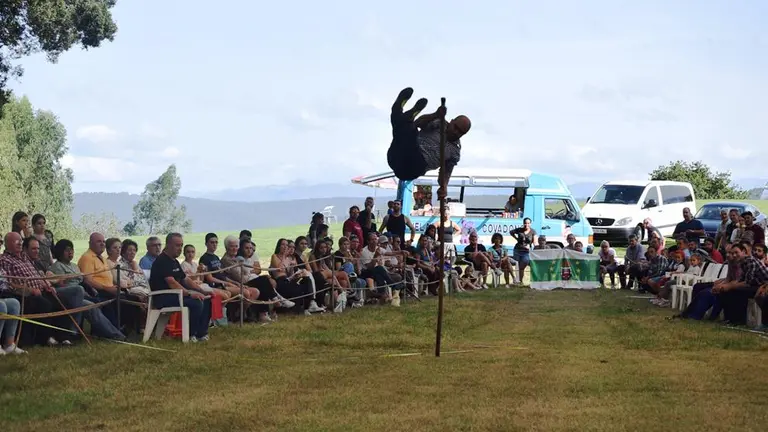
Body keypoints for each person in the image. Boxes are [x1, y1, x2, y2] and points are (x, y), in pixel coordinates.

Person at [386, 87, 471, 199]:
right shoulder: (439, 123)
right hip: (397, 155)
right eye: (455, 127)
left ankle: (397, 110)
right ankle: (403, 114)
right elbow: (418, 123)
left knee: (402, 126)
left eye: (460, 132)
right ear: (452, 121)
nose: (456, 132)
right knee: (407, 128)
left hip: (415, 167)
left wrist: (443, 187)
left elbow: (445, 174)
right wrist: (436, 115)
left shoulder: (455, 151)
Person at [149, 233, 212, 342]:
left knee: (206, 299)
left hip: (175, 295)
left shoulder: (175, 261)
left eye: (181, 245)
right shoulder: (162, 261)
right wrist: (190, 293)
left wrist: (202, 291)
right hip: (163, 297)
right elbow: (172, 283)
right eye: (177, 245)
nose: (180, 249)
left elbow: (185, 279)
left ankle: (201, 334)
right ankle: (191, 334)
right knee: (196, 302)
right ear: (168, 245)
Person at [511, 218, 536, 285]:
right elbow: (511, 232)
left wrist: (532, 247)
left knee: (523, 265)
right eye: (525, 223)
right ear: (523, 223)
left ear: (530, 224)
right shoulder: (519, 230)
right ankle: (520, 281)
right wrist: (516, 238)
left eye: (528, 223)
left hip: (526, 252)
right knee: (518, 266)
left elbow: (535, 242)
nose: (526, 225)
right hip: (517, 250)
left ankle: (520, 280)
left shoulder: (533, 231)